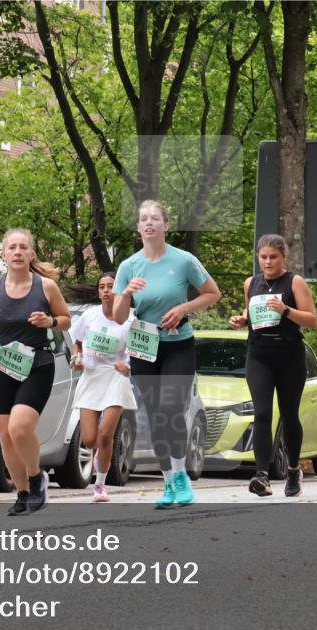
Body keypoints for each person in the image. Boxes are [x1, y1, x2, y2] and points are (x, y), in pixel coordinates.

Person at [113, 200, 221, 509]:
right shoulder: (128, 266)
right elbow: (120, 317)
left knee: (172, 408)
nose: (149, 223)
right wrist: (126, 293)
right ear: (138, 228)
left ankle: (182, 477)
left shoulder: (184, 260)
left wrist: (184, 308)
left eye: (155, 219)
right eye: (143, 219)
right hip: (144, 347)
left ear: (165, 226)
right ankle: (169, 481)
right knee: (156, 416)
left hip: (178, 343)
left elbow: (213, 293)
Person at [0, 229, 71, 516]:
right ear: (3, 255)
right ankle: (23, 493)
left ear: (31, 254)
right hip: (5, 365)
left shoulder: (46, 286)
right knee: (5, 435)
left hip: (38, 364)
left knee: (20, 428)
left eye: (22, 247)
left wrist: (49, 321)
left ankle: (37, 477)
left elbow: (65, 320)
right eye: (11, 247)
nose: (17, 252)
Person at [229, 234, 317, 497]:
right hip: (259, 355)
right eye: (263, 257)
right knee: (262, 413)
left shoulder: (295, 282)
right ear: (258, 257)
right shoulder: (251, 283)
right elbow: (251, 312)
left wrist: (285, 310)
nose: (268, 262)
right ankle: (261, 475)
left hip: (289, 355)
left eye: (273, 257)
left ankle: (292, 471)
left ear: (283, 258)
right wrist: (242, 320)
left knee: (289, 415)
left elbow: (312, 320)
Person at [70, 272, 138, 502]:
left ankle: (100, 484)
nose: (106, 290)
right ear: (98, 292)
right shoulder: (89, 316)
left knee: (106, 434)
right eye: (102, 287)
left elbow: (139, 353)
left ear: (119, 291)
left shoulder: (130, 320)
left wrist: (127, 365)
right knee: (90, 440)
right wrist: (76, 358)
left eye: (111, 286)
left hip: (115, 378)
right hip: (91, 376)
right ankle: (100, 452)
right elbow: (76, 342)